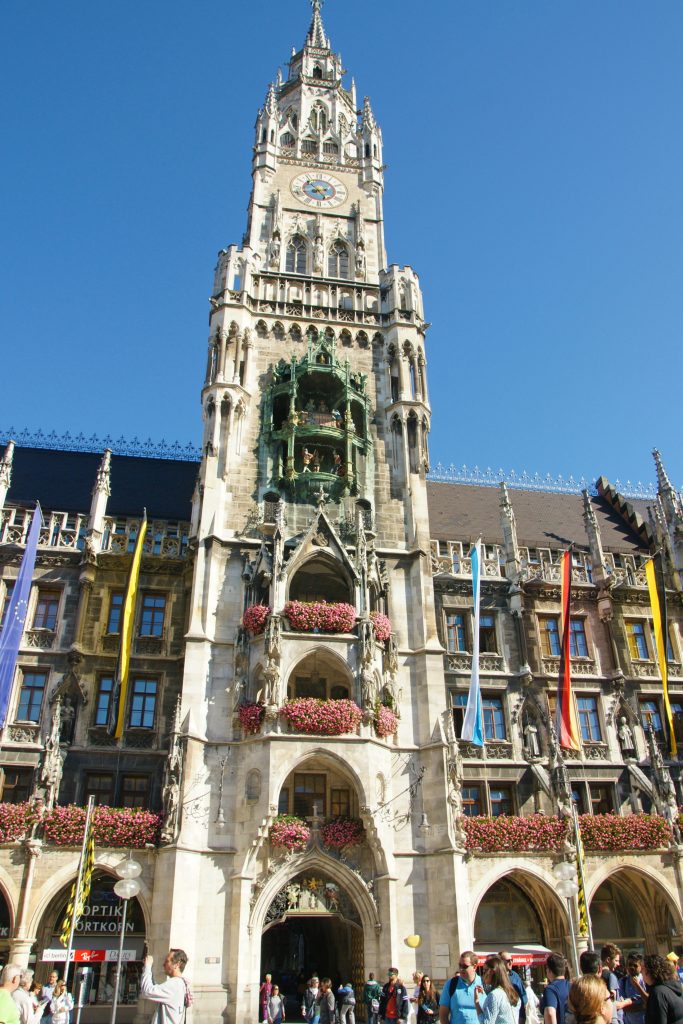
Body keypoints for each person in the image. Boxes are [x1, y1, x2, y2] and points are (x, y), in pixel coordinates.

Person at [140, 949, 189, 1024]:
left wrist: (147, 966)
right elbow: (155, 990)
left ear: (177, 964)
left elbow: (147, 991)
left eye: (167, 961)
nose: (163, 964)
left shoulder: (174, 984)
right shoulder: (182, 983)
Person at [439, 952, 485, 1024]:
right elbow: (443, 1015)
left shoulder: (484, 984)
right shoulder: (451, 984)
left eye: (464, 966)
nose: (461, 969)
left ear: (475, 967)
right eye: (460, 965)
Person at [642, 955, 683, 1024]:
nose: (641, 972)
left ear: (649, 971)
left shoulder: (658, 993)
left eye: (642, 969)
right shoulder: (674, 987)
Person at [478, 956, 519, 1024]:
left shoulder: (494, 995)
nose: (483, 975)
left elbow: (487, 1022)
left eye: (484, 971)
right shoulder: (510, 991)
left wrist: (477, 1004)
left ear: (491, 972)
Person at [539, 954, 571, 1024]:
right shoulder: (573, 986)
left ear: (549, 970)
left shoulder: (550, 989)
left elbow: (550, 1013)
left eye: (546, 968)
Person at [618, 955, 648, 1024]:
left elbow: (649, 1002)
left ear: (641, 967)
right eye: (630, 965)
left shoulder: (645, 980)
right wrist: (642, 1006)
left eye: (635, 965)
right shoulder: (622, 981)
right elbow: (623, 1007)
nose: (632, 967)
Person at [499, 953, 528, 1024]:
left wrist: (523, 1012)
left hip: (518, 1014)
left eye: (512, 960)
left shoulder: (515, 976)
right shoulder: (497, 977)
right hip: (503, 1016)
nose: (511, 962)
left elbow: (523, 994)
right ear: (501, 962)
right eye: (508, 960)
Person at [601, 947, 623, 1024]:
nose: (618, 964)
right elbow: (613, 1003)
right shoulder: (611, 976)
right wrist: (627, 1002)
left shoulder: (598, 976)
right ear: (608, 960)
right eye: (616, 960)